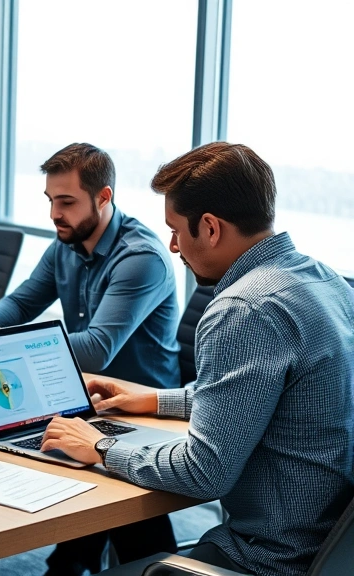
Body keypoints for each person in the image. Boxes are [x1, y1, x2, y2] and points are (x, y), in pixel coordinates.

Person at [41, 142, 354, 576]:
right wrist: (155, 400)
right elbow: (266, 398)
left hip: (265, 559)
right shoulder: (325, 280)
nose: (172, 246)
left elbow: (203, 472)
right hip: (333, 551)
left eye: (175, 230)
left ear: (209, 227)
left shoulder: (244, 309)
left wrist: (99, 446)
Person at [0, 143, 180, 574]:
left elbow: (98, 348)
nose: (54, 214)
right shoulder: (67, 243)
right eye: (50, 200)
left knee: (88, 469)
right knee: (27, 444)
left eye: (66, 202)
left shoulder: (140, 258)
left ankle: (110, 563)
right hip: (81, 394)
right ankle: (77, 559)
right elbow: (23, 301)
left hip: (141, 408)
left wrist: (3, 345)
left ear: (103, 197)